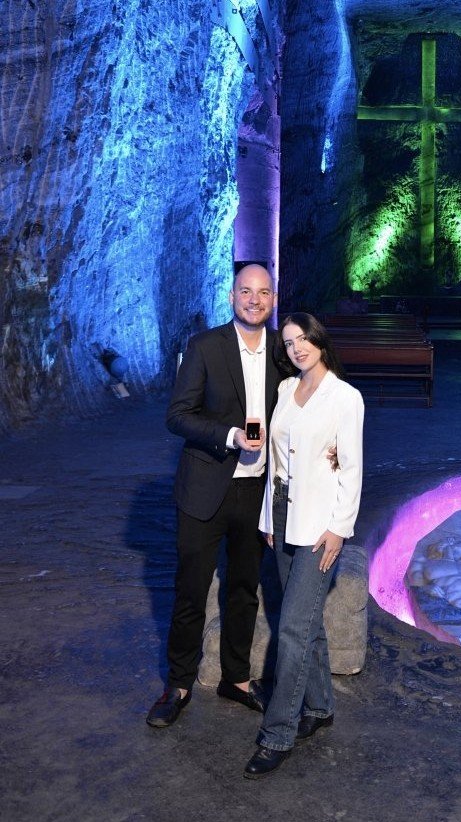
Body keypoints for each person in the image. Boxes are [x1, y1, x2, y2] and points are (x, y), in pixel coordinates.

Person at [146, 264, 284, 728]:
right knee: (191, 589)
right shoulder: (205, 346)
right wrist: (229, 436)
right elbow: (177, 415)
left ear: (273, 298)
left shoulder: (284, 351)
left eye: (263, 292)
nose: (254, 300)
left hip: (256, 491)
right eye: (246, 291)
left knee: (244, 589)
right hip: (205, 487)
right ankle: (178, 684)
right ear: (231, 297)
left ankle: (237, 679)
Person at [243, 312, 364, 779]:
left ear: (319, 340)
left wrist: (339, 529)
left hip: (319, 528)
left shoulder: (345, 397)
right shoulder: (284, 390)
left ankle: (278, 733)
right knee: (307, 622)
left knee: (292, 628)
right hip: (281, 515)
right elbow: (277, 460)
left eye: (303, 339)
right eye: (289, 342)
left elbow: (351, 468)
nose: (296, 348)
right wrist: (267, 517)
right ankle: (320, 706)